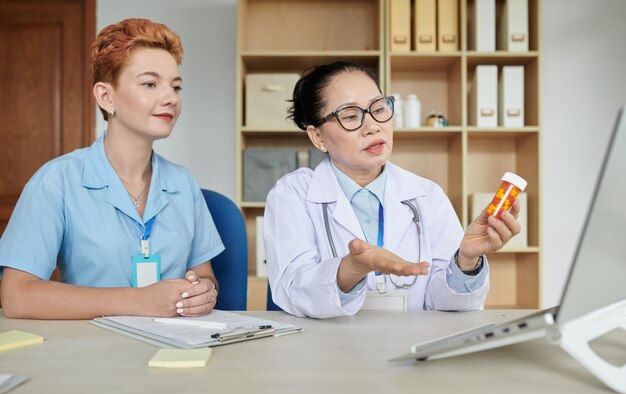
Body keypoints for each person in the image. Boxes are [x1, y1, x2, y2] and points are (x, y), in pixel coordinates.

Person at [0, 18, 223, 319]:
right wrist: (139, 301)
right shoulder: (56, 181)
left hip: (173, 348)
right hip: (92, 353)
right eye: (149, 83)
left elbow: (203, 274)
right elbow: (17, 296)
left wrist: (205, 292)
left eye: (176, 86)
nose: (171, 97)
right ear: (106, 97)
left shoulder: (184, 184)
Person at [263, 61, 521, 319]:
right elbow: (292, 288)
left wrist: (466, 261)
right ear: (318, 137)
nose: (373, 126)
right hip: (328, 352)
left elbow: (446, 305)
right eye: (351, 116)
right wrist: (350, 269)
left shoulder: (426, 195)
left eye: (378, 108)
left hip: (411, 349)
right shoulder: (292, 194)